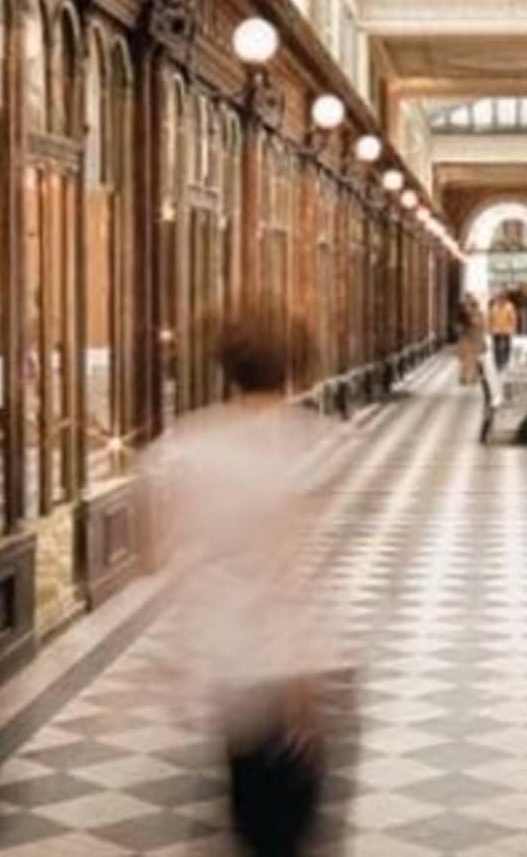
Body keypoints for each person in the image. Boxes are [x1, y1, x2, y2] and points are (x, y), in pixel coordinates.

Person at [156, 296, 349, 857]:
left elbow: (168, 558)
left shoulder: (189, 446)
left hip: (227, 665)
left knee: (249, 820)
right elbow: (293, 576)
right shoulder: (312, 443)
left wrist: (179, 658)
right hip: (291, 667)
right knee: (289, 830)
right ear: (294, 364)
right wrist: (303, 697)